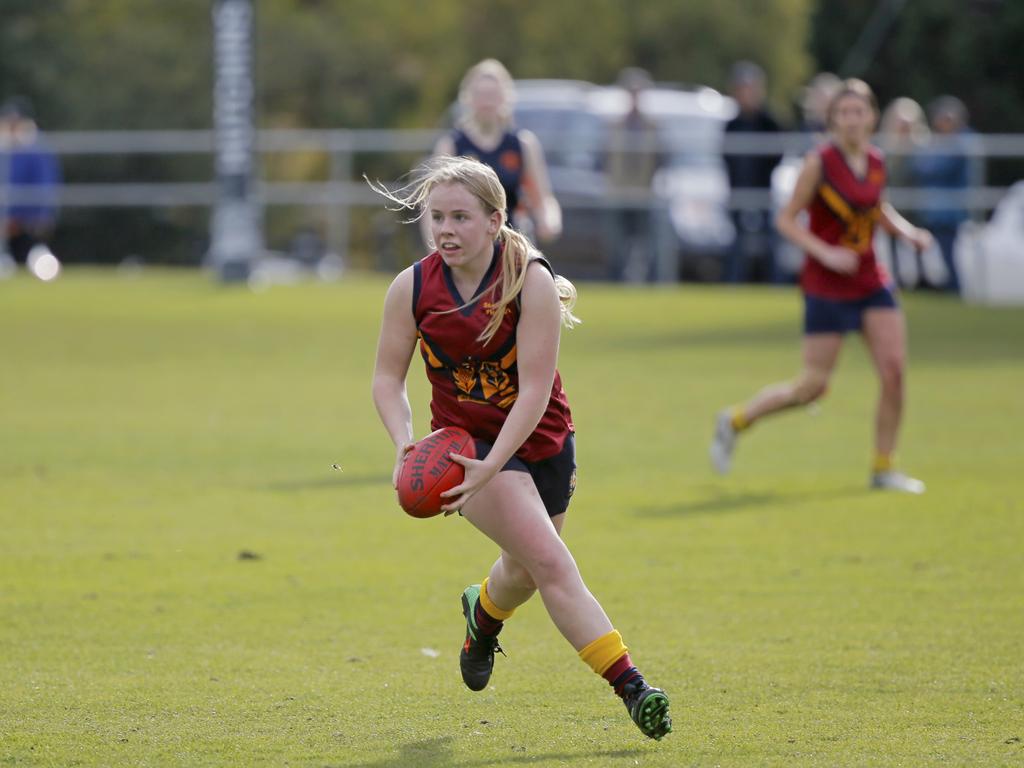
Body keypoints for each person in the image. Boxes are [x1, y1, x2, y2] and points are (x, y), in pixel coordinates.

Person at [370, 155, 671, 740]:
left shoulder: (527, 278)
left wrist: (495, 466)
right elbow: (386, 378)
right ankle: (634, 688)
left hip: (543, 436)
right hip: (467, 444)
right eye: (437, 217)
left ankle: (482, 616)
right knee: (554, 562)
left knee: (526, 572)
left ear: (494, 219)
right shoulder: (411, 288)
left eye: (460, 217)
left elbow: (534, 390)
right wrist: (407, 445)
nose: (446, 230)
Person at [710, 79, 933, 494]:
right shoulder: (820, 163)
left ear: (870, 116)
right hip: (827, 286)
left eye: (859, 112)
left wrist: (908, 233)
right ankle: (736, 420)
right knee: (811, 387)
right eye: (843, 113)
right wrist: (826, 254)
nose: (851, 119)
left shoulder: (877, 160)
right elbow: (786, 220)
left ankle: (884, 467)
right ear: (833, 119)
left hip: (871, 280)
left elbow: (877, 208)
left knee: (895, 372)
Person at [430, 59, 561, 245]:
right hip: (465, 245)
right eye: (481, 94)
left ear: (505, 97)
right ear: (468, 98)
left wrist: (549, 221)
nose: (487, 101)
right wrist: (435, 247)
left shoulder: (523, 144)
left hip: (512, 241)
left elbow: (544, 199)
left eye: (492, 94)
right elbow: (432, 206)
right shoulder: (451, 145)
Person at [722, 61, 784, 283]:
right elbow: (726, 157)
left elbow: (777, 155)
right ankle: (732, 283)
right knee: (736, 244)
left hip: (763, 191)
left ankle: (775, 284)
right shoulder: (732, 124)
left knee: (770, 243)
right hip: (737, 192)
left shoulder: (769, 122)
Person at [911, 95, 973, 293]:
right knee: (923, 249)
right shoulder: (939, 141)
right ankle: (928, 284)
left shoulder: (963, 140)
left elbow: (932, 168)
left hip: (949, 213)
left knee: (948, 254)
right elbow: (921, 167)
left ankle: (954, 290)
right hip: (932, 211)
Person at [605, 67, 662, 282]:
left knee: (645, 243)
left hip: (643, 193)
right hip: (619, 193)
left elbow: (659, 161)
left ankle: (646, 282)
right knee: (617, 243)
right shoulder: (614, 126)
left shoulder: (653, 127)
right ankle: (617, 281)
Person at [0, 96, 61, 264]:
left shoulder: (38, 150)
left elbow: (46, 186)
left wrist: (40, 217)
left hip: (28, 224)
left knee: (37, 258)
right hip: (5, 222)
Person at [878, 98, 930, 288]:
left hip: (916, 207)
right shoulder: (885, 149)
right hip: (894, 205)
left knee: (917, 240)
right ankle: (897, 278)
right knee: (893, 241)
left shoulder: (922, 149)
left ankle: (922, 278)